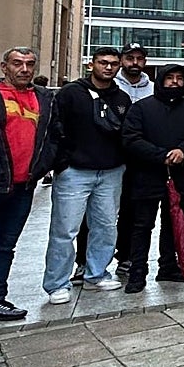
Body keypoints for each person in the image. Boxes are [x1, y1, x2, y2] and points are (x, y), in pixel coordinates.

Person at [0, 47, 58, 321]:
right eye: (17, 63)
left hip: (21, 188)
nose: (24, 69)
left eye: (30, 64)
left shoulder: (44, 99)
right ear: (4, 66)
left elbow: (53, 137)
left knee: (5, 246)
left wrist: (42, 167)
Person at [43, 47, 132, 302]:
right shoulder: (71, 94)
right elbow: (54, 128)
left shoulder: (122, 98)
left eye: (114, 64)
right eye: (103, 62)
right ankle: (57, 283)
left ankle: (97, 274)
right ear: (91, 64)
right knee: (65, 230)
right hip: (74, 173)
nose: (109, 67)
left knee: (105, 227)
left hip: (111, 172)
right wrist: (62, 163)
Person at [120, 65, 184, 293]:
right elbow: (131, 139)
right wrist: (161, 156)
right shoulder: (141, 108)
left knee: (174, 223)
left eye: (180, 78)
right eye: (169, 78)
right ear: (160, 80)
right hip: (146, 175)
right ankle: (137, 272)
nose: (174, 82)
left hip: (180, 176)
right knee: (142, 225)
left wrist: (183, 150)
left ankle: (169, 267)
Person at [111, 41, 153, 279]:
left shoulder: (152, 88)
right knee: (104, 211)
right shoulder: (112, 86)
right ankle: (87, 262)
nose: (134, 63)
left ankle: (127, 256)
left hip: (143, 160)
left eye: (139, 59)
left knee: (134, 211)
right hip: (114, 157)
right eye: (130, 58)